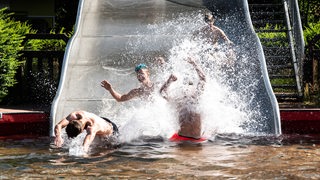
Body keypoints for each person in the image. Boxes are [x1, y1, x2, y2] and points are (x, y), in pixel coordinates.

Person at [160, 58, 206, 140]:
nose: (187, 88)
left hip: (197, 138)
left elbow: (203, 78)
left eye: (190, 85)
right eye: (185, 85)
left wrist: (194, 63)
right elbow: (162, 93)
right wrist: (169, 80)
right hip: (181, 138)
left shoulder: (196, 98)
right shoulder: (178, 100)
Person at [54, 110, 118, 152]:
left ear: (82, 131)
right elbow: (58, 125)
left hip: (111, 131)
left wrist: (82, 153)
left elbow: (85, 146)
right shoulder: (76, 114)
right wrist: (58, 136)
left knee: (103, 151)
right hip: (101, 119)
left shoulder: (93, 128)